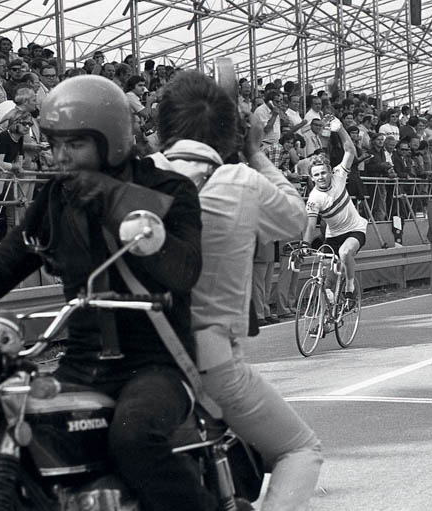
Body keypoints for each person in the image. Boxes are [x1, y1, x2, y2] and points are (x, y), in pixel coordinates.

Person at [0, 75, 218, 511]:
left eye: (75, 144)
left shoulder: (168, 190)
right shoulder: (56, 198)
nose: (61, 156)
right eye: (55, 144)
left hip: (155, 364)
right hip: (81, 364)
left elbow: (183, 270)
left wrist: (113, 198)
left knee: (133, 436)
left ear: (112, 141)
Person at [148, 70, 322, 510]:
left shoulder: (141, 175)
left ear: (163, 126)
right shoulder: (244, 181)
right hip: (213, 361)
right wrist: (256, 154)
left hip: (143, 356)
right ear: (230, 133)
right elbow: (295, 219)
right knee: (300, 449)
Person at [302, 125, 366, 309]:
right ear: (312, 178)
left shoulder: (339, 175)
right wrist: (305, 244)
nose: (321, 177)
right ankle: (325, 320)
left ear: (330, 171)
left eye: (323, 172)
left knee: (345, 253)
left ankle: (350, 289)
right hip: (333, 235)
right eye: (316, 175)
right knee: (326, 283)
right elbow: (310, 223)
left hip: (355, 229)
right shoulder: (314, 198)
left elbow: (350, 150)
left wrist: (340, 130)